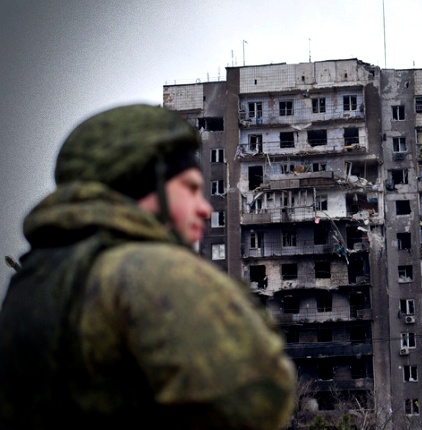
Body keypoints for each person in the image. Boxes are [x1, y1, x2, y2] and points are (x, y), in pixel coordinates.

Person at [0, 104, 296, 429]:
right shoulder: (152, 269)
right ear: (147, 184)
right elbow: (257, 399)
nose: (204, 209)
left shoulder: (30, 283)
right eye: (191, 188)